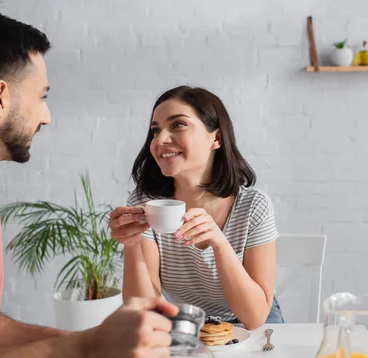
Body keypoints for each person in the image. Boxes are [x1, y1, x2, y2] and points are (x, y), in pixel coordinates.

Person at [0, 11, 176, 358]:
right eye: (42, 97)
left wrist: (99, 344)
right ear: (0, 97)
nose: (47, 116)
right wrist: (86, 350)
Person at [109, 86, 283, 330]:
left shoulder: (253, 206)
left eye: (178, 124)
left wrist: (220, 244)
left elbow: (254, 317)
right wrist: (133, 243)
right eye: (155, 131)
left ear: (217, 138)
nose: (159, 140)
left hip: (250, 324)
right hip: (185, 323)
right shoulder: (146, 202)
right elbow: (144, 306)